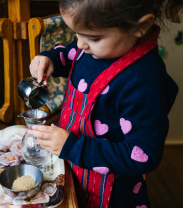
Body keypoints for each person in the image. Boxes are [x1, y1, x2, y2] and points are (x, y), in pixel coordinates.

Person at [28, 0, 182, 207]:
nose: (81, 44)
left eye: (93, 37)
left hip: (112, 193)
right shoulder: (92, 48)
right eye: (76, 33)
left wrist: (73, 148)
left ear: (140, 26)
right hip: (73, 170)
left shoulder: (144, 84)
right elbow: (72, 53)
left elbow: (143, 154)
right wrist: (51, 59)